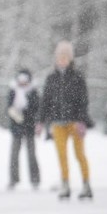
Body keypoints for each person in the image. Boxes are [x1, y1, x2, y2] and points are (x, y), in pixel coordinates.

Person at [37, 41, 94, 200]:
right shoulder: (51, 79)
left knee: (79, 154)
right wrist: (40, 121)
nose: (62, 60)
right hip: (58, 123)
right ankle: (65, 184)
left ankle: (86, 184)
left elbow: (83, 100)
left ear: (70, 59)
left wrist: (81, 120)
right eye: (59, 57)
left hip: (74, 122)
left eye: (65, 57)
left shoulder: (77, 77)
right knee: (62, 155)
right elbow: (45, 102)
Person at [6, 68, 40, 190]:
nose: (22, 82)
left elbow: (36, 108)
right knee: (14, 154)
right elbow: (9, 107)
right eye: (20, 79)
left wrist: (27, 115)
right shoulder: (13, 91)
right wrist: (15, 114)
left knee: (31, 154)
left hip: (29, 127)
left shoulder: (33, 92)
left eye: (25, 79)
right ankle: (13, 179)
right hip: (16, 127)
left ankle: (35, 179)